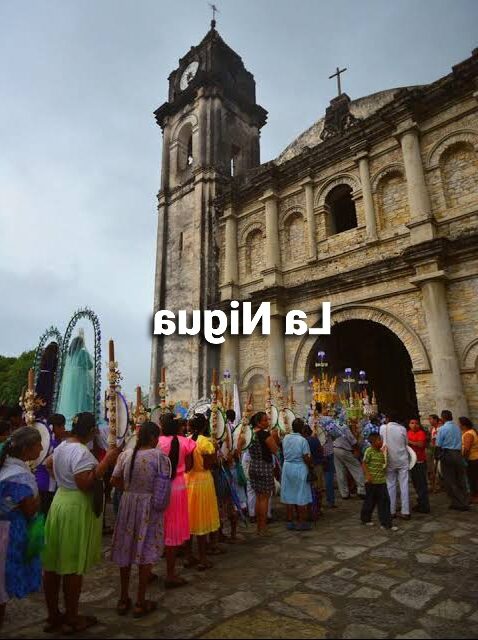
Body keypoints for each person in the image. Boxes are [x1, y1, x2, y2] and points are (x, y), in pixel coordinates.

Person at [42, 412, 119, 633]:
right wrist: (105, 463)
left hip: (60, 500)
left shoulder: (63, 447)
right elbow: (85, 483)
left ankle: (54, 614)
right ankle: (72, 617)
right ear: (92, 431)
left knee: (54, 564)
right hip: (75, 506)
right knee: (72, 565)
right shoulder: (81, 452)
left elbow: (48, 464)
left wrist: (61, 480)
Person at [110, 421, 170, 618]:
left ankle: (123, 597)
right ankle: (140, 600)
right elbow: (162, 484)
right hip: (149, 506)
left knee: (126, 548)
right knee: (146, 549)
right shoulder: (159, 457)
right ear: (153, 438)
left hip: (128, 504)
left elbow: (114, 480)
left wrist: (129, 492)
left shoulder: (126, 455)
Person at [0, 427, 43, 628]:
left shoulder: (6, 467)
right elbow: (28, 509)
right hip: (8, 532)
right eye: (38, 445)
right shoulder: (19, 475)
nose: (42, 448)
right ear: (27, 449)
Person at [158, 412, 196, 588]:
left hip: (160, 486)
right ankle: (171, 573)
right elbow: (189, 466)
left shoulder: (157, 443)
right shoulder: (185, 443)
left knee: (160, 525)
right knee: (173, 529)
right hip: (179, 486)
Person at [185, 414, 220, 570]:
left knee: (190, 519)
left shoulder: (187, 440)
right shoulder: (205, 442)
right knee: (201, 519)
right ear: (205, 427)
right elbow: (208, 465)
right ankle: (203, 558)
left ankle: (188, 556)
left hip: (188, 481)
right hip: (202, 481)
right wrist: (215, 452)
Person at [247, 411, 279, 536]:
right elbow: (275, 449)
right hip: (264, 466)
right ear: (259, 422)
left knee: (258, 497)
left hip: (253, 465)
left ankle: (259, 527)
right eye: (265, 420)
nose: (267, 422)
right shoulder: (264, 434)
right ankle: (263, 528)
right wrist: (275, 437)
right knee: (264, 498)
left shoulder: (250, 433)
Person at [56, 333, 95, 426]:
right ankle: (81, 419)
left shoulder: (69, 355)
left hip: (69, 379)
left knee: (71, 397)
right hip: (81, 378)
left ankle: (69, 418)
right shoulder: (82, 352)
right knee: (81, 398)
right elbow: (90, 365)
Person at [361, 433, 397, 531]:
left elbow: (383, 465)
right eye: (378, 440)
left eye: (381, 440)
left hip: (381, 482)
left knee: (385, 502)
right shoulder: (369, 451)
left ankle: (386, 523)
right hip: (371, 483)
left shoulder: (381, 453)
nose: (381, 442)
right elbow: (364, 463)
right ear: (372, 442)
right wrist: (368, 475)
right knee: (370, 502)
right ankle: (365, 518)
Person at [281, 418, 313, 530]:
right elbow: (306, 457)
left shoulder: (286, 438)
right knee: (301, 493)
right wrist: (311, 463)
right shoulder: (302, 440)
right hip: (299, 467)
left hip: (287, 467)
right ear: (303, 429)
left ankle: (289, 520)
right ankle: (301, 521)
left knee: (289, 493)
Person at [436, 410, 469, 511]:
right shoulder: (457, 428)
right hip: (458, 453)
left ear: (443, 418)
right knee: (460, 478)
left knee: (450, 479)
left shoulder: (442, 429)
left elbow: (438, 444)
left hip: (448, 454)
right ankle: (464, 500)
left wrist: (437, 456)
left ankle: (458, 502)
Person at [380, 411, 410, 519]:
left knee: (390, 485)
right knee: (404, 485)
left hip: (390, 459)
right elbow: (406, 443)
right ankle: (405, 511)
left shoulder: (383, 428)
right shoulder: (402, 429)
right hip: (402, 459)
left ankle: (391, 510)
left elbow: (381, 440)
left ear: (387, 418)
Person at [35, 414, 66, 515]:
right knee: (47, 512)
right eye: (62, 426)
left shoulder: (51, 441)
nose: (64, 429)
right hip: (47, 484)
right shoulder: (53, 443)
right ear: (54, 427)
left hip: (40, 482)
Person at [333, 422, 366, 500]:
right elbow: (353, 441)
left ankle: (344, 493)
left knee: (340, 472)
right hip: (344, 450)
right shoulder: (344, 427)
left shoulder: (335, 425)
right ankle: (361, 490)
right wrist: (357, 450)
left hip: (335, 448)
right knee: (357, 468)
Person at [407, 418, 430, 514]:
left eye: (416, 423)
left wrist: (409, 442)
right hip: (413, 462)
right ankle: (420, 503)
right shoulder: (408, 433)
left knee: (422, 484)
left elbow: (420, 445)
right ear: (409, 424)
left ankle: (425, 506)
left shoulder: (421, 433)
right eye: (412, 423)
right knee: (416, 484)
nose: (414, 425)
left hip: (420, 461)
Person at [304, 424, 325, 520]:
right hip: (318, 466)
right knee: (318, 488)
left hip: (309, 466)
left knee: (309, 488)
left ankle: (310, 509)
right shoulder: (315, 439)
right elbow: (321, 450)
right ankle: (319, 508)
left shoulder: (304, 441)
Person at [35, 341, 59, 420]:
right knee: (47, 397)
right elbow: (54, 369)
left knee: (39, 395)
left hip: (41, 377)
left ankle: (38, 413)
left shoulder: (44, 355)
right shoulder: (54, 358)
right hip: (49, 378)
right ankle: (45, 415)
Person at [460, 417, 478, 504]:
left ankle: (475, 496)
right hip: (474, 458)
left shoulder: (468, 434)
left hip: (472, 459)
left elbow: (467, 448)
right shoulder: (470, 432)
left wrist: (464, 458)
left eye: (459, 423)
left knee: (473, 478)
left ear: (463, 425)